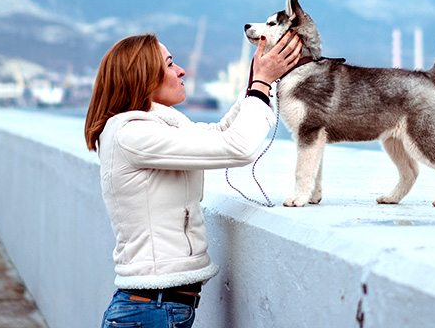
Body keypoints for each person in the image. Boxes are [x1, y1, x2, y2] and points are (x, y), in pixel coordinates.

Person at [84, 32, 302, 328]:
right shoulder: (132, 134)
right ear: (143, 77)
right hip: (151, 312)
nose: (181, 70)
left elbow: (220, 133)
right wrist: (261, 86)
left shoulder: (150, 128)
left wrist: (257, 83)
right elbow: (238, 146)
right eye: (170, 64)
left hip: (156, 309)